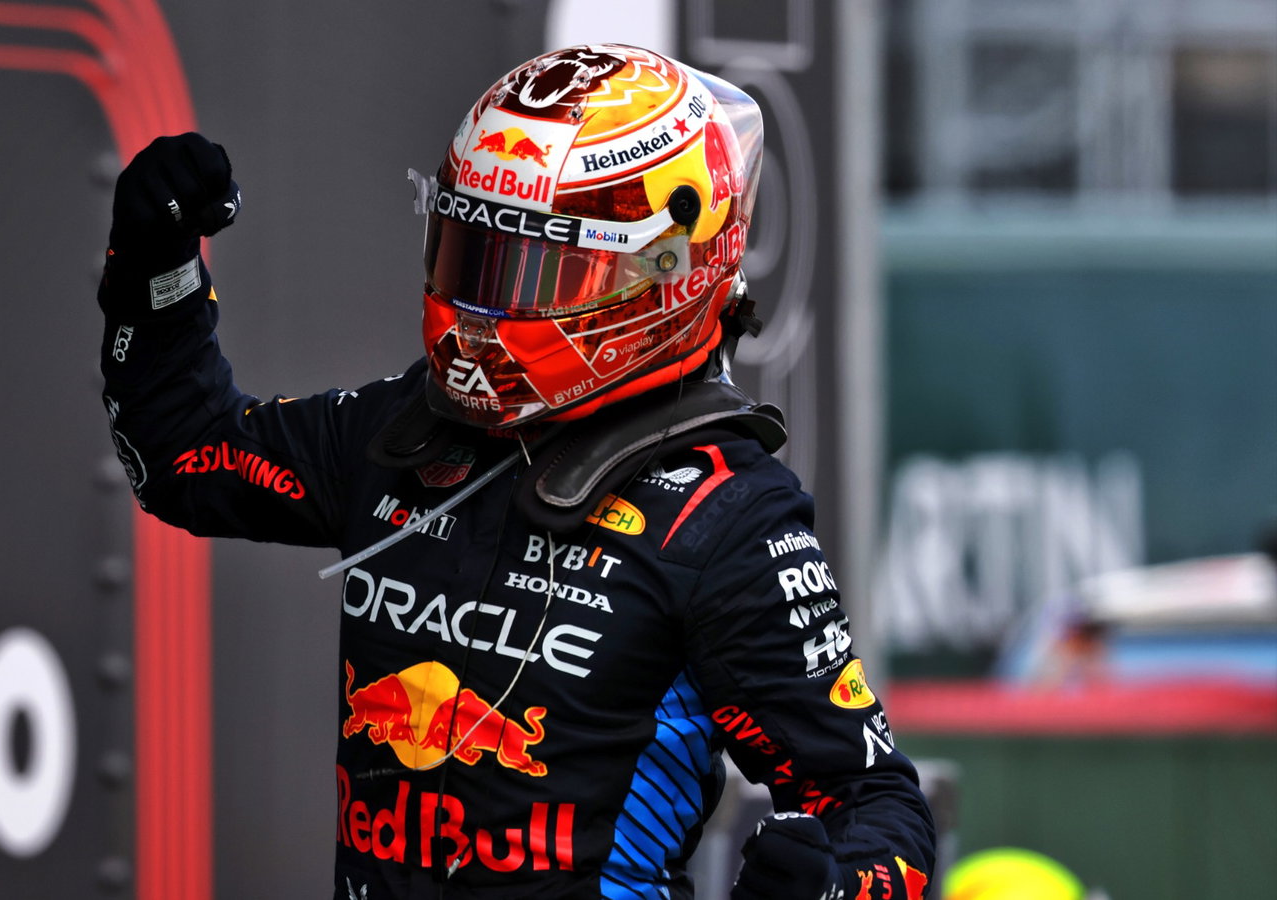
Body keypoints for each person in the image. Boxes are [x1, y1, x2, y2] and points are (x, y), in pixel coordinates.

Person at [97, 43, 935, 900]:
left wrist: (837, 886)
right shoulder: (404, 434)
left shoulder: (726, 518)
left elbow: (878, 806)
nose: (485, 308)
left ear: (663, 275)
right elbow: (184, 456)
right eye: (474, 257)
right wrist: (156, 269)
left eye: (535, 269)